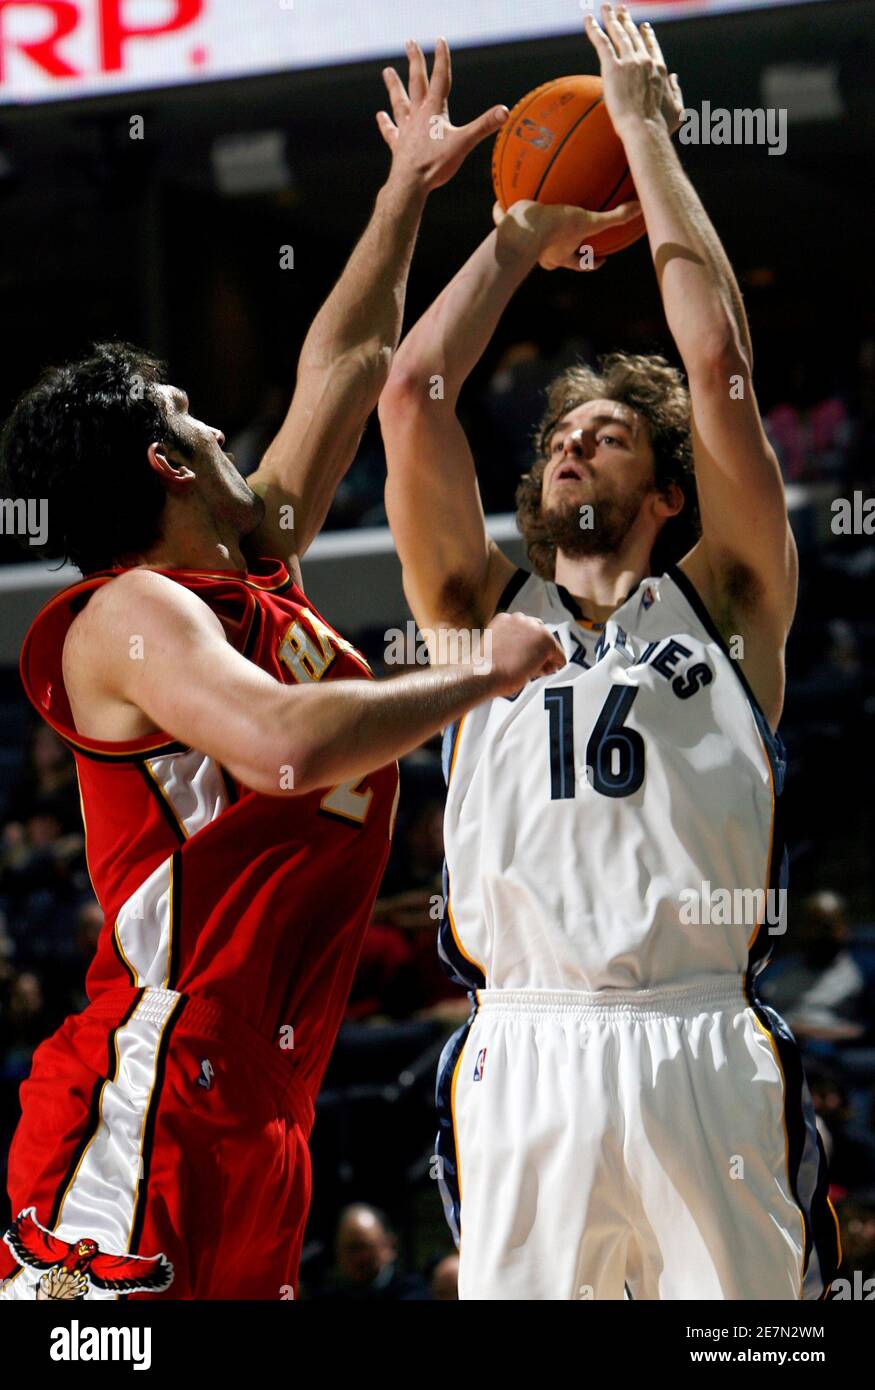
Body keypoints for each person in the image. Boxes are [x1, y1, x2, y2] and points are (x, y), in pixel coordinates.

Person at [0, 40, 563, 1302]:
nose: (220, 425)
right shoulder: (127, 615)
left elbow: (349, 366)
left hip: (261, 1101)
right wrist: (481, 673)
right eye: (194, 413)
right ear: (165, 464)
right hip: (156, 1084)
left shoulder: (247, 561)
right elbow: (285, 745)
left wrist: (402, 193)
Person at [378, 5, 839, 1299]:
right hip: (523, 1050)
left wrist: (640, 136)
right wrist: (515, 232)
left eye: (608, 436)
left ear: (664, 494)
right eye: (559, 434)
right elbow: (409, 394)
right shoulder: (473, 606)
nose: (571, 444)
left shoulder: (731, 597)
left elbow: (714, 360)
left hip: (698, 1040)